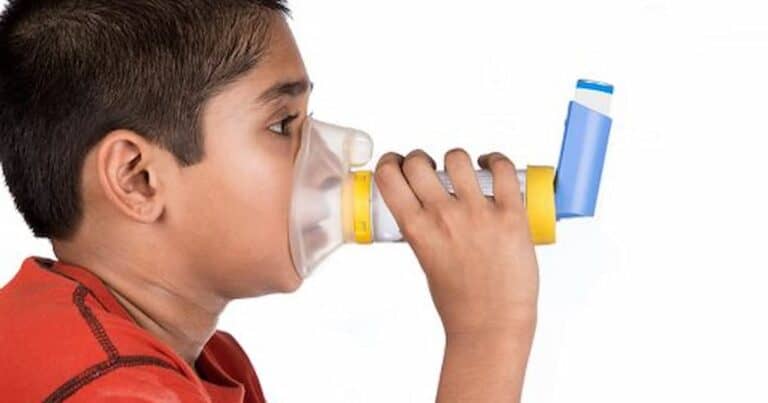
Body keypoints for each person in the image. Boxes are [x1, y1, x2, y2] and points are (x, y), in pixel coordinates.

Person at [0, 1, 539, 401]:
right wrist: (488, 334)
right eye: (284, 125)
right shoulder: (109, 391)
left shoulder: (204, 362)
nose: (334, 158)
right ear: (139, 179)